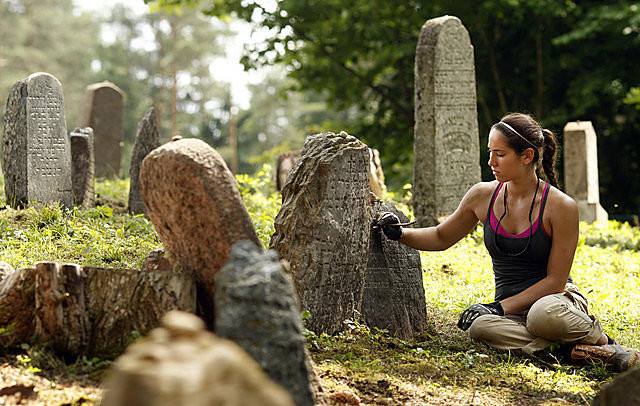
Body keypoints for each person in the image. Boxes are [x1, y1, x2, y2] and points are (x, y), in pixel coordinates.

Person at [374, 112, 640, 372]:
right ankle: (572, 353)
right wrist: (400, 234)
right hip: (511, 312)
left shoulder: (561, 206)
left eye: (499, 154)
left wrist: (498, 307)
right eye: (490, 152)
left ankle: (604, 342)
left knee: (541, 316)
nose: (491, 161)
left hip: (555, 302)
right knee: (480, 328)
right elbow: (442, 236)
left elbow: (555, 281)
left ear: (527, 156)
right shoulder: (482, 195)